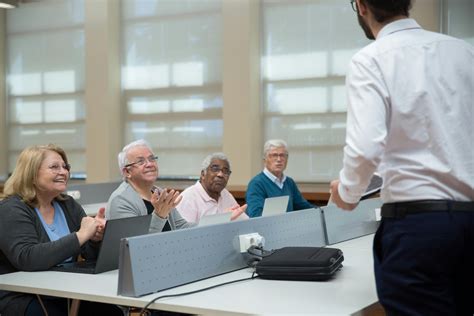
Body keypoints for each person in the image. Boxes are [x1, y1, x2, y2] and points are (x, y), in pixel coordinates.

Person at [329, 0, 474, 315]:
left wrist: (347, 192)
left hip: (418, 230)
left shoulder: (371, 60)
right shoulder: (463, 52)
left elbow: (366, 148)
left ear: (361, 6)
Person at [0, 144, 122, 316]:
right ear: (32, 174)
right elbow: (27, 258)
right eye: (54, 167)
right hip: (23, 295)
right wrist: (80, 235)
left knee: (111, 313)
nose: (63, 172)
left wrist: (95, 239)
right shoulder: (11, 208)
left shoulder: (68, 204)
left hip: (64, 290)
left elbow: (89, 255)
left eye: (65, 167)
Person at [106, 139, 194, 232]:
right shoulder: (120, 201)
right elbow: (135, 243)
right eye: (141, 161)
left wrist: (207, 224)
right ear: (127, 172)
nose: (149, 164)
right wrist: (159, 215)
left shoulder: (159, 193)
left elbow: (181, 227)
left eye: (152, 159)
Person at [246, 139, 313, 217]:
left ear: (287, 159)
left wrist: (322, 211)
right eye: (274, 155)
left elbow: (304, 207)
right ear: (265, 159)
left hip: (288, 226)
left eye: (282, 155)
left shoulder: (289, 182)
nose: (279, 159)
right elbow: (255, 215)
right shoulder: (256, 184)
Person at [176, 153, 248, 223]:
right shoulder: (189, 197)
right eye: (215, 169)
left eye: (225, 171)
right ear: (203, 174)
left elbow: (245, 223)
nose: (220, 174)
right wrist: (221, 219)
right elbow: (185, 233)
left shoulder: (225, 194)